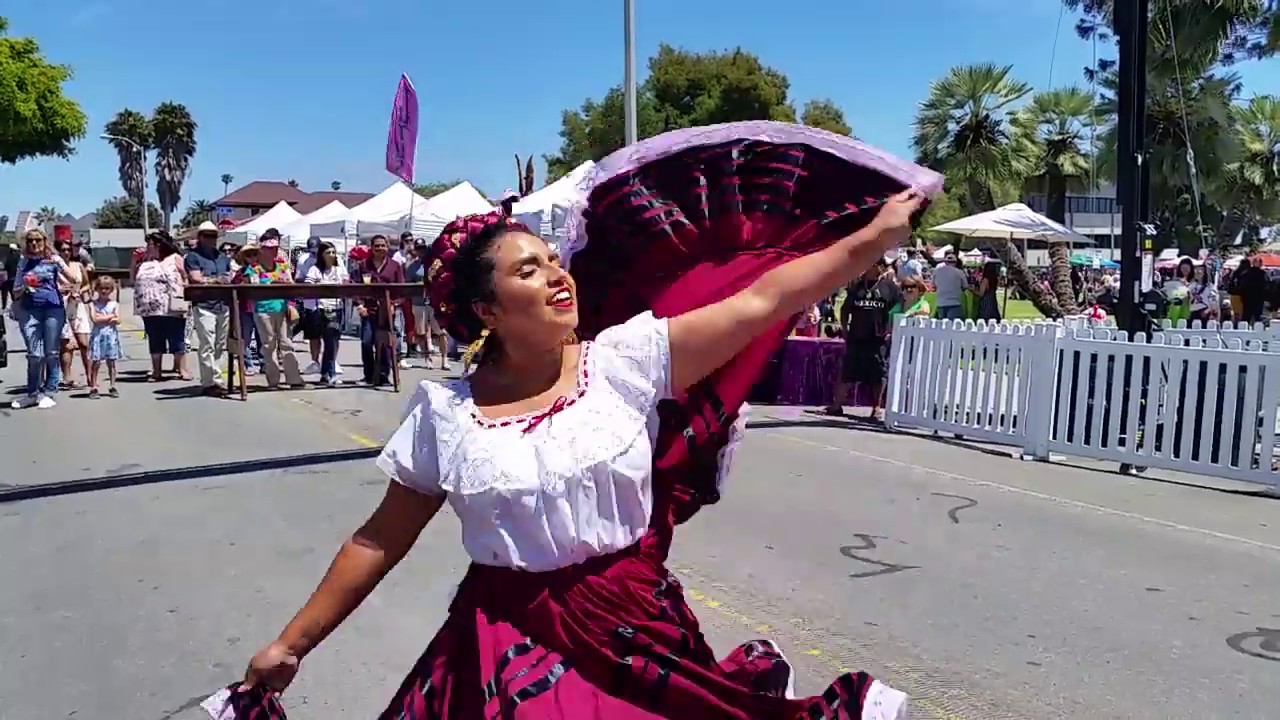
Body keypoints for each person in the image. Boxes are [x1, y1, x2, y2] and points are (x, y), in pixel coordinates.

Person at [238, 184, 922, 718]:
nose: (556, 276)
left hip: (634, 628)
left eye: (553, 261)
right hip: (505, 643)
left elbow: (764, 300)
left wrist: (872, 238)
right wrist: (292, 644)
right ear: (486, 311)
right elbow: (378, 540)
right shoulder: (444, 413)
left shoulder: (625, 362)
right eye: (528, 270)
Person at [826, 258, 901, 421]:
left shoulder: (890, 288)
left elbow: (898, 308)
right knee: (847, 371)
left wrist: (890, 329)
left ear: (880, 267)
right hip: (857, 336)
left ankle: (876, 408)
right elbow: (846, 310)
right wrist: (845, 328)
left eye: (871, 265)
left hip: (878, 338)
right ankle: (836, 405)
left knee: (878, 374)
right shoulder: (857, 287)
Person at [10, 229, 75, 409]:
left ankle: (49, 391)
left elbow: (74, 278)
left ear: (44, 241)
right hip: (29, 310)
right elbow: (15, 292)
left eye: (37, 240)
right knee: (34, 354)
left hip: (53, 309)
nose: (33, 243)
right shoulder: (23, 262)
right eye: (30, 240)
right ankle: (32, 392)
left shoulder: (53, 259)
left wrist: (67, 286)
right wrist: (25, 284)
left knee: (52, 353)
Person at [240, 230, 301, 389]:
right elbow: (251, 288)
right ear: (262, 250)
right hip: (262, 309)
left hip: (281, 308)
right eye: (268, 248)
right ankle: (273, 380)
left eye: (274, 248)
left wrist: (288, 296)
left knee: (287, 343)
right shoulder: (254, 268)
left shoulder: (282, 266)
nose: (272, 251)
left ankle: (294, 379)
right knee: (268, 345)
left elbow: (291, 284)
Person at [134, 231, 191, 382]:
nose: (147, 247)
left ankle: (182, 369)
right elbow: (133, 277)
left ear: (158, 245)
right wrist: (134, 261)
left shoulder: (175, 258)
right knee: (155, 339)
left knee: (177, 339)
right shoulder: (145, 261)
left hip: (172, 306)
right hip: (150, 309)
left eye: (150, 244)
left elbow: (186, 277)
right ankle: (156, 370)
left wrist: (182, 290)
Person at [185, 221, 234, 397]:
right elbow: (196, 278)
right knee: (207, 344)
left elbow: (229, 277)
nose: (211, 239)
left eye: (213, 236)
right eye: (207, 235)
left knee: (220, 345)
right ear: (200, 237)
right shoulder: (193, 257)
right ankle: (210, 382)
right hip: (204, 304)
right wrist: (215, 280)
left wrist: (219, 279)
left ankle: (216, 379)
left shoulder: (222, 258)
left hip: (222, 303)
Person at [350, 234, 405, 387]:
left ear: (387, 247)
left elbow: (402, 291)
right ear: (371, 248)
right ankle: (368, 375)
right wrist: (360, 305)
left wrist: (394, 305)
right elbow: (354, 286)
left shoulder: (395, 266)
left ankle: (383, 375)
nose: (380, 248)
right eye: (377, 246)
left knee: (386, 343)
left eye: (383, 245)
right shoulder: (363, 265)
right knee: (367, 342)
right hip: (369, 309)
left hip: (387, 310)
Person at [302, 241, 349, 385]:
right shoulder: (315, 270)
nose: (331, 255)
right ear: (321, 255)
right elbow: (308, 286)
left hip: (337, 307)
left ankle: (327, 373)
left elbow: (346, 283)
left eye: (333, 252)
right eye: (328, 252)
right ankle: (328, 373)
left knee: (332, 340)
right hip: (320, 308)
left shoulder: (339, 269)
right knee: (327, 339)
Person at [55, 239, 91, 389]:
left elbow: (87, 284)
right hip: (61, 306)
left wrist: (78, 291)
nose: (66, 252)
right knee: (66, 345)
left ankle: (90, 376)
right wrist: (60, 291)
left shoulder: (78, 266)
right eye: (63, 250)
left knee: (84, 343)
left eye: (68, 250)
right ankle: (67, 378)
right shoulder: (54, 268)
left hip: (77, 306)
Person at [88, 275, 122, 399]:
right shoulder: (93, 304)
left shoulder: (114, 304)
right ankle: (94, 386)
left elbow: (118, 320)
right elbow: (95, 319)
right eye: (101, 288)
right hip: (98, 336)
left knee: (111, 362)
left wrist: (107, 318)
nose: (104, 291)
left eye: (107, 288)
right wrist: (109, 317)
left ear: (111, 290)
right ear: (97, 289)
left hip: (111, 336)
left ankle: (113, 385)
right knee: (96, 362)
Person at [932, 250, 968, 320]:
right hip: (954, 303)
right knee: (954, 326)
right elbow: (965, 286)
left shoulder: (936, 272)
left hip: (940, 303)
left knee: (942, 326)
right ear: (955, 262)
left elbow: (933, 285)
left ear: (945, 262)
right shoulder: (959, 272)